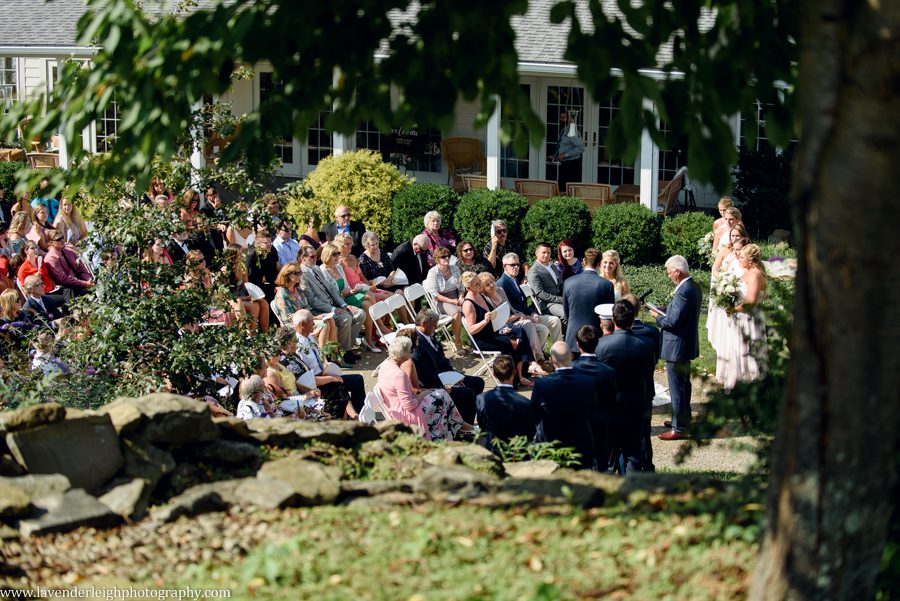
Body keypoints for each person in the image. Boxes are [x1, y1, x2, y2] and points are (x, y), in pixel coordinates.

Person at [594, 300, 657, 472]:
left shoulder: (601, 345)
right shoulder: (646, 344)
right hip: (636, 404)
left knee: (610, 455)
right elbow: (648, 371)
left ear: (613, 319)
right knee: (634, 454)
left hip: (611, 406)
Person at [649, 255, 702, 441]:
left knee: (677, 386)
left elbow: (672, 322)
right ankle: (682, 419)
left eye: (669, 272)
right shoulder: (693, 286)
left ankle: (679, 427)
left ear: (677, 271)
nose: (669, 275)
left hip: (677, 346)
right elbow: (680, 314)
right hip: (685, 344)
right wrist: (666, 308)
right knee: (683, 385)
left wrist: (657, 316)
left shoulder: (684, 291)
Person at [377, 336, 465, 441]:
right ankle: (447, 434)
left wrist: (428, 392)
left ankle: (457, 428)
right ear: (404, 355)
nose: (412, 353)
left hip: (394, 408)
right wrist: (423, 394)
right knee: (440, 402)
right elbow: (409, 405)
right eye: (410, 350)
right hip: (406, 414)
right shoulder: (399, 375)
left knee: (441, 394)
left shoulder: (385, 365)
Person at [411, 308, 485, 424]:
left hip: (446, 376)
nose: (435, 329)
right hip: (434, 383)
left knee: (478, 382)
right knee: (466, 393)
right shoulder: (416, 343)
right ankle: (463, 426)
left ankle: (466, 421)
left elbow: (444, 360)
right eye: (434, 326)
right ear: (423, 323)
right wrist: (448, 382)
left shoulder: (429, 333)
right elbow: (425, 374)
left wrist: (455, 377)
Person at [533, 341, 598, 470]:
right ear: (572, 357)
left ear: (551, 360)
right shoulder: (588, 382)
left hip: (550, 444)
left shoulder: (542, 385)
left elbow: (534, 414)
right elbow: (592, 410)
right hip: (580, 442)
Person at [291, 309, 366, 417]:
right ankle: (354, 415)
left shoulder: (309, 337)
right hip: (316, 383)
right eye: (311, 322)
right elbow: (305, 377)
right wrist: (329, 377)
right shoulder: (298, 347)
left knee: (357, 380)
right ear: (302, 325)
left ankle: (358, 413)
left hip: (325, 374)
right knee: (342, 383)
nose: (314, 324)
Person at [460, 271, 528, 386]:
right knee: (511, 343)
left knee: (519, 331)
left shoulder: (480, 294)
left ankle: (521, 374)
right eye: (476, 284)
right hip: (482, 338)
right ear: (468, 287)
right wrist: (484, 321)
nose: (479, 285)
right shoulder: (468, 304)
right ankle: (512, 380)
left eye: (479, 282)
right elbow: (471, 330)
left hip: (494, 330)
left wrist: (502, 327)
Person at [716, 244, 768, 389]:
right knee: (736, 349)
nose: (739, 258)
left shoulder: (756, 274)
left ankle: (750, 383)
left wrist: (732, 308)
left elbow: (751, 301)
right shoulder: (747, 271)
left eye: (742, 257)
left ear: (751, 260)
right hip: (739, 317)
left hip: (749, 319)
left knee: (746, 350)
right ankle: (736, 383)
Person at [298, 244, 364, 360]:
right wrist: (332, 309)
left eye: (316, 256)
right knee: (345, 318)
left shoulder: (316, 269)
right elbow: (312, 300)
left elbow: (331, 289)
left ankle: (346, 348)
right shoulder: (302, 275)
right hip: (319, 310)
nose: (315, 259)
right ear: (303, 258)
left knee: (360, 314)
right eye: (312, 257)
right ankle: (343, 353)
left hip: (333, 304)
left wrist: (344, 304)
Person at [479, 271, 549, 378]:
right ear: (483, 288)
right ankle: (539, 360)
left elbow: (511, 308)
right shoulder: (485, 299)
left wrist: (519, 314)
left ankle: (530, 361)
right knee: (528, 324)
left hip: (515, 320)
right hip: (504, 326)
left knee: (543, 330)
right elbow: (499, 321)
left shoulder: (500, 290)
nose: (491, 285)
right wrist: (517, 316)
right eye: (487, 285)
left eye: (492, 282)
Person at [572, 325, 618, 471]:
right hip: (603, 424)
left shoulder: (571, 369)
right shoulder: (609, 371)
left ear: (577, 344)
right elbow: (612, 400)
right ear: (597, 343)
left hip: (579, 425)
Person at [321, 241, 379, 353]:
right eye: (335, 254)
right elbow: (331, 293)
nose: (338, 256)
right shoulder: (322, 270)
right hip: (337, 302)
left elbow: (346, 285)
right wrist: (345, 293)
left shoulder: (338, 267)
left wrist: (351, 290)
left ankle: (354, 344)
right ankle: (377, 329)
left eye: (338, 254)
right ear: (327, 255)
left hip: (346, 296)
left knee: (367, 303)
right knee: (369, 297)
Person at [497, 252, 563, 346]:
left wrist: (533, 313)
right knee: (542, 330)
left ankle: (558, 351)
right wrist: (527, 317)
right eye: (512, 265)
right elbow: (508, 309)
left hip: (527, 315)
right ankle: (535, 357)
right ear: (504, 266)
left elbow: (523, 304)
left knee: (555, 321)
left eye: (518, 264)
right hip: (517, 320)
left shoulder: (514, 280)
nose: (516, 267)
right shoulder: (501, 284)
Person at [475, 355, 537, 453]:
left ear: (494, 374)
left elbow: (482, 426)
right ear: (514, 372)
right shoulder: (526, 403)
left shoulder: (480, 398)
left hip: (492, 450)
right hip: (517, 452)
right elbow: (530, 432)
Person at [271, 262, 338, 347]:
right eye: (295, 273)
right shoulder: (283, 294)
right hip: (294, 324)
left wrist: (313, 317)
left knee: (330, 320)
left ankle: (334, 354)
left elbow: (306, 307)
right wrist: (316, 317)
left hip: (306, 319)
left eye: (300, 273)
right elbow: (290, 318)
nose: (299, 275)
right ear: (286, 275)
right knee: (324, 324)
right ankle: (321, 356)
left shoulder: (298, 290)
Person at [562, 248, 614, 350]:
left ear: (584, 261)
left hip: (573, 336)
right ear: (599, 264)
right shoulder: (606, 284)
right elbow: (609, 315)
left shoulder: (568, 282)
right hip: (597, 337)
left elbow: (566, 312)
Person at [423, 246, 464, 350]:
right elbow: (435, 294)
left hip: (456, 296)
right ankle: (458, 342)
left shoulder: (454, 268)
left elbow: (461, 286)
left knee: (472, 306)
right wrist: (452, 301)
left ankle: (475, 339)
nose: (446, 258)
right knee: (456, 313)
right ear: (437, 259)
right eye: (443, 256)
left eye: (448, 256)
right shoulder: (433, 273)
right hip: (441, 301)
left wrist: (461, 296)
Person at [224, 244, 270, 333]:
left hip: (241, 296)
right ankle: (250, 334)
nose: (243, 256)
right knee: (254, 306)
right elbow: (225, 293)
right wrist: (246, 298)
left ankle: (265, 333)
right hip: (230, 298)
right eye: (240, 254)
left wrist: (254, 296)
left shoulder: (242, 267)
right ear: (233, 255)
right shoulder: (226, 270)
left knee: (263, 303)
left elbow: (246, 286)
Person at [43, 230, 93, 297]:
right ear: (51, 243)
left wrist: (88, 279)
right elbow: (63, 279)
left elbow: (80, 267)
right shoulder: (50, 259)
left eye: (62, 237)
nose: (62, 240)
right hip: (69, 287)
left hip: (82, 281)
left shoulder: (68, 250)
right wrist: (84, 283)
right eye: (58, 239)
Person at [527, 242, 566, 322]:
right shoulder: (533, 271)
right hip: (546, 304)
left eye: (548, 253)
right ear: (536, 253)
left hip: (559, 299)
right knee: (566, 313)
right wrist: (560, 299)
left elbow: (560, 284)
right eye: (544, 252)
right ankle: (566, 334)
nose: (546, 255)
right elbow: (540, 293)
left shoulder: (553, 266)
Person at [551, 110, 585, 192]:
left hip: (572, 165)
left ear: (569, 119)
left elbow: (581, 148)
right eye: (560, 117)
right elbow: (562, 145)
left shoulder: (572, 130)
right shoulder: (564, 130)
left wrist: (565, 155)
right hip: (564, 164)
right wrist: (556, 156)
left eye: (563, 118)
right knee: (561, 189)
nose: (561, 120)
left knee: (569, 190)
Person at [245, 233, 281, 301]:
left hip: (272, 282)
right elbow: (249, 278)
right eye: (266, 243)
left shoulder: (272, 250)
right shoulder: (251, 256)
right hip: (256, 287)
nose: (269, 244)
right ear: (258, 244)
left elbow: (277, 267)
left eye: (270, 242)